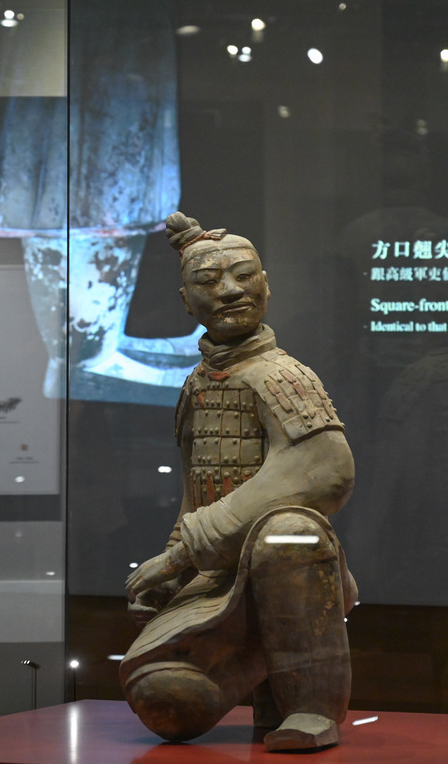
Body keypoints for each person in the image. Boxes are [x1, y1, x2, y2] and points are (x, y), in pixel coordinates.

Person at [120, 212, 356, 752]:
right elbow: (199, 487)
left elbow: (325, 470)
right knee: (168, 703)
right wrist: (175, 565)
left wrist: (183, 555)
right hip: (218, 577)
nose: (229, 292)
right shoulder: (199, 382)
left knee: (287, 532)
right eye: (208, 282)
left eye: (243, 276)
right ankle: (260, 665)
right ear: (186, 301)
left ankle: (310, 707)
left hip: (283, 568)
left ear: (266, 284)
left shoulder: (281, 374)